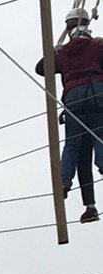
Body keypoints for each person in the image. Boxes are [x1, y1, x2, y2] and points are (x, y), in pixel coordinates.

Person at [35, 7, 103, 223]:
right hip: (97, 94)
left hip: (74, 98)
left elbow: (40, 68)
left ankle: (64, 182)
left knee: (73, 145)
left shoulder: (63, 53)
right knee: (99, 135)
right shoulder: (96, 48)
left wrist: (53, 52)